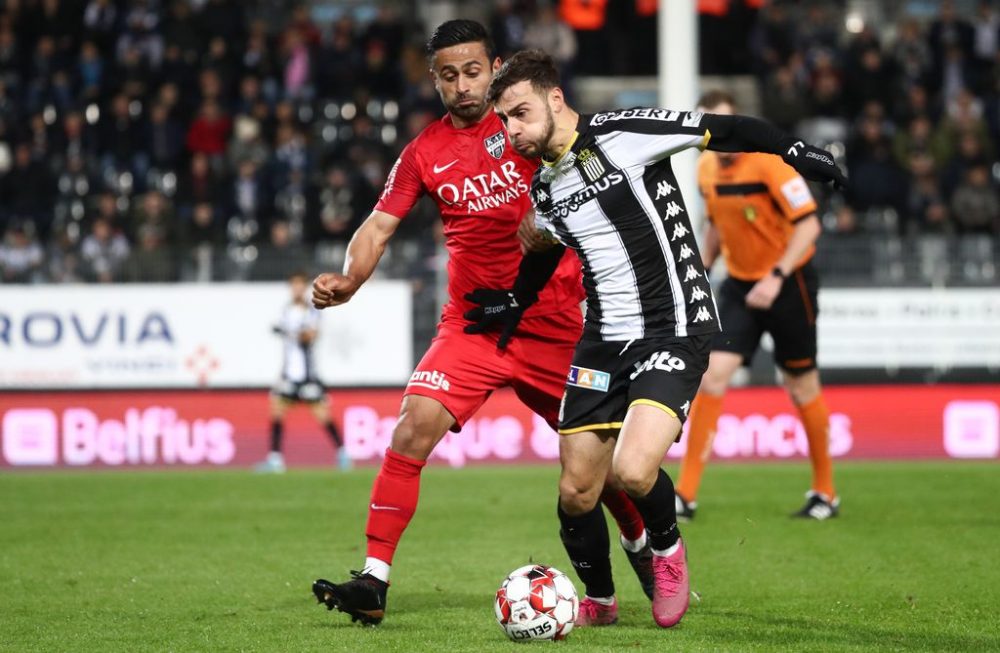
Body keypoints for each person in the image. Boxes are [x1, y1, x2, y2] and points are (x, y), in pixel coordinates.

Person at [471, 49, 845, 628]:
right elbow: (545, 248)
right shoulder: (545, 187)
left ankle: (667, 551)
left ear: (554, 98)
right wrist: (517, 301)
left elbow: (724, 128)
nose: (513, 130)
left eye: (520, 114)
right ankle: (598, 599)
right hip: (601, 342)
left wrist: (793, 151)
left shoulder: (624, 133)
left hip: (674, 326)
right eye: (505, 122)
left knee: (634, 472)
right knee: (576, 490)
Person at [309, 21, 651, 626]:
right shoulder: (423, 151)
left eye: (473, 72)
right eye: (448, 75)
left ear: (494, 68)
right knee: (412, 429)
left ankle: (641, 546)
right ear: (434, 79)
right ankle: (373, 580)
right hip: (473, 327)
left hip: (554, 325)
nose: (463, 86)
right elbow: (378, 225)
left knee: (599, 471)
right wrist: (351, 278)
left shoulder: (524, 125)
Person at [674, 90, 839, 522]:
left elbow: (809, 226)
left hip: (789, 283)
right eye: (713, 129)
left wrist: (777, 277)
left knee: (801, 384)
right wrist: (701, 268)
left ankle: (825, 492)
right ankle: (684, 495)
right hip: (741, 286)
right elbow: (715, 225)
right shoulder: (706, 167)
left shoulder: (770, 163)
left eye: (727, 127)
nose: (720, 138)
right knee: (711, 378)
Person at [256, 271, 350, 473]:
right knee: (277, 412)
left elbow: (310, 336)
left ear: (305, 287)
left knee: (322, 415)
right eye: (293, 285)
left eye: (300, 285)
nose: (297, 289)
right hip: (289, 374)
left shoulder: (312, 311)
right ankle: (275, 459)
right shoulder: (285, 311)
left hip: (308, 376)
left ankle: (342, 453)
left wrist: (291, 332)